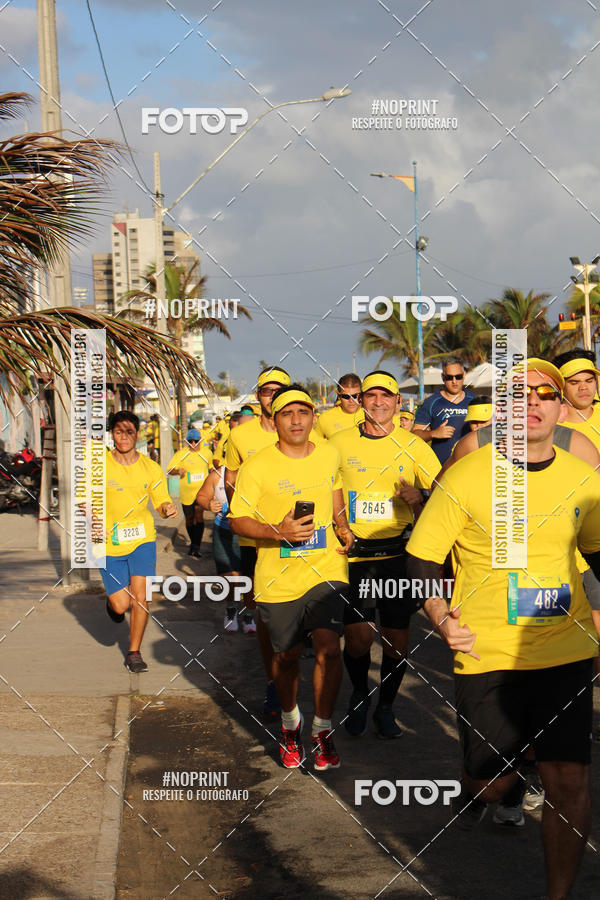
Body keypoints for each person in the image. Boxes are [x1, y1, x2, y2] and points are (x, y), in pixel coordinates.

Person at [406, 359, 600, 900]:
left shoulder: (583, 477)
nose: (533, 401)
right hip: (487, 651)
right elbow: (422, 557)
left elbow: (597, 550)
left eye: (546, 393)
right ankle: (489, 784)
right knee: (492, 784)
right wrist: (440, 616)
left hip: (564, 649)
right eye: (520, 393)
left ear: (561, 409)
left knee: (569, 781)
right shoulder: (468, 474)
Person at [229, 385, 354, 769]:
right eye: (287, 413)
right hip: (278, 576)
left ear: (314, 417)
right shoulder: (257, 466)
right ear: (275, 419)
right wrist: (278, 532)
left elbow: (335, 492)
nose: (296, 420)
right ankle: (289, 724)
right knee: (286, 657)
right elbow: (237, 520)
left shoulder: (329, 453)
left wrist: (343, 526)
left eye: (303, 412)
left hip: (327, 568)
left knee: (329, 648)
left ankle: (322, 730)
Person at [330, 371, 441, 738]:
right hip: (355, 556)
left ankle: (386, 706)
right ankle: (360, 695)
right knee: (358, 638)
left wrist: (422, 496)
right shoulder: (338, 443)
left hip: (397, 556)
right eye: (371, 396)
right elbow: (324, 487)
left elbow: (445, 492)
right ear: (361, 400)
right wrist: (338, 523)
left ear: (398, 402)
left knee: (396, 641)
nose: (378, 402)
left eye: (386, 396)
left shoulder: (414, 446)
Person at [225, 366, 293, 714]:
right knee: (265, 613)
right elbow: (230, 479)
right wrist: (245, 516)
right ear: (258, 396)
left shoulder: (303, 428)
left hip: (299, 538)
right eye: (268, 391)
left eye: (280, 390)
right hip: (257, 539)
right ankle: (273, 682)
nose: (273, 396)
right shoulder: (240, 436)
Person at [97, 411, 177, 672]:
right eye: (118, 432)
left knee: (141, 597)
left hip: (142, 539)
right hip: (108, 542)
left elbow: (161, 500)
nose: (124, 437)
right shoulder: (99, 466)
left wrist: (167, 508)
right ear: (112, 434)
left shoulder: (150, 468)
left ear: (137, 434)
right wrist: (91, 516)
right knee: (121, 605)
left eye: (129, 432)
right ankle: (113, 606)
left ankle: (134, 653)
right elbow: (85, 499)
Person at [195, 413, 244, 632]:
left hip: (249, 533)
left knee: (247, 577)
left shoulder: (255, 472)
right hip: (224, 531)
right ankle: (231, 609)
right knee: (229, 576)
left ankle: (249, 614)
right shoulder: (218, 474)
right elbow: (201, 496)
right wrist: (209, 504)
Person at [412, 357, 475, 463]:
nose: (454, 381)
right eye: (449, 377)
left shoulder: (474, 400)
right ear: (443, 377)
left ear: (464, 375)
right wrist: (433, 434)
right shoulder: (431, 402)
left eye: (458, 376)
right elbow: (414, 435)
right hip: (441, 467)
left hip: (469, 464)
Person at [167, 429, 211, 558]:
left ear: (200, 441)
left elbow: (212, 468)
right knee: (189, 519)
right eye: (190, 441)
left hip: (201, 492)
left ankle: (196, 546)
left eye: (195, 441)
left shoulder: (207, 453)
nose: (193, 444)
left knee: (199, 516)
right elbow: (169, 470)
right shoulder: (181, 454)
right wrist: (177, 471)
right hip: (186, 493)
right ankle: (193, 542)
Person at [315, 373, 365, 439]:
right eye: (346, 396)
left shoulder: (370, 416)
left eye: (355, 396)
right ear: (339, 396)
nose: (351, 400)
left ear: (361, 395)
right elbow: (316, 444)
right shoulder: (324, 419)